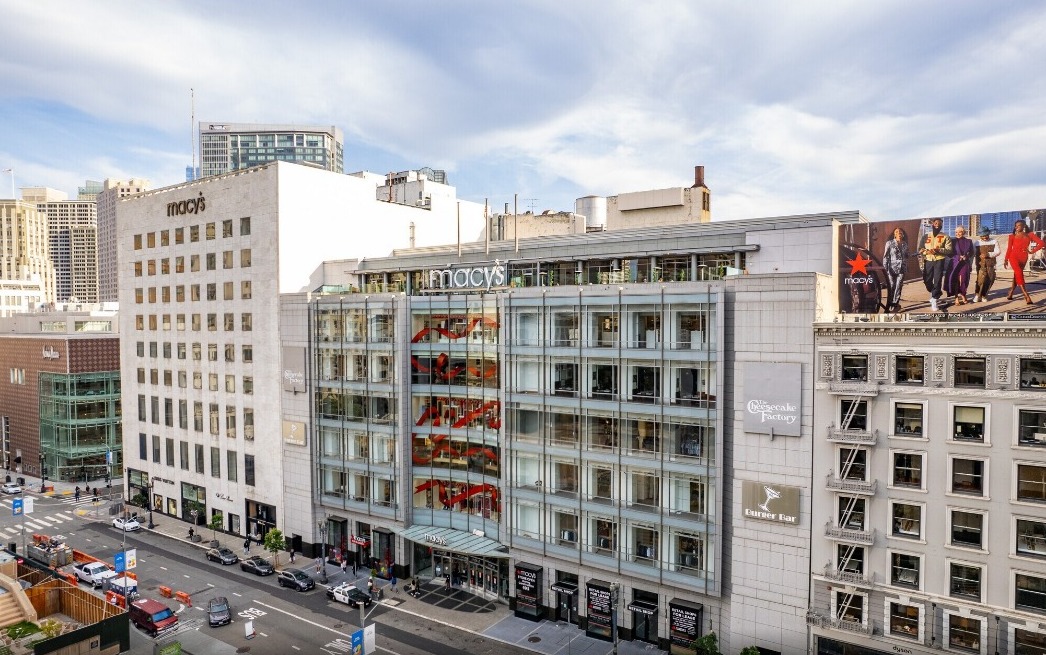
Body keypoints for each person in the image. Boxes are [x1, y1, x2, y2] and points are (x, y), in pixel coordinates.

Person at [1004, 219, 1045, 304]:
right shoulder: (1012, 236)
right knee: (1019, 273)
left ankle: (1011, 292)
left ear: (1024, 226)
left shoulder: (1030, 235)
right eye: (1016, 226)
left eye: (1018, 225)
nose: (1016, 227)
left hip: (1023, 257)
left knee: (1017, 275)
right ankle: (1026, 295)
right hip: (1013, 256)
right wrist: (1006, 259)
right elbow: (1009, 249)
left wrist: (1032, 251)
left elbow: (1042, 243)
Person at [920, 217, 953, 311]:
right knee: (927, 280)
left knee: (937, 280)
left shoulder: (946, 236)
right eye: (936, 223)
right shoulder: (926, 236)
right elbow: (920, 249)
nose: (937, 225)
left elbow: (949, 250)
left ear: (941, 226)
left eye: (939, 224)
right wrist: (926, 252)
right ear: (932, 224)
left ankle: (934, 299)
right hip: (928, 260)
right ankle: (935, 292)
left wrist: (938, 250)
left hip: (939, 260)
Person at [944, 225, 974, 304]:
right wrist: (957, 257)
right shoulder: (952, 241)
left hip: (964, 263)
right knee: (955, 280)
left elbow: (971, 252)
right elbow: (948, 253)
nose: (958, 234)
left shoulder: (969, 241)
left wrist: (966, 256)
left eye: (960, 232)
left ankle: (963, 294)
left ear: (963, 232)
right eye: (956, 232)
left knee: (964, 279)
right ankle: (956, 297)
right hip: (954, 263)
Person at [882, 227, 909, 312]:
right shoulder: (889, 243)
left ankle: (895, 304)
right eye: (896, 232)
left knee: (899, 286)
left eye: (900, 232)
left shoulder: (905, 244)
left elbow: (907, 255)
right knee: (892, 286)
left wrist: (918, 253)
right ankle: (889, 304)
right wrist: (885, 269)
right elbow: (886, 256)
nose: (899, 233)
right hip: (891, 268)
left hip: (902, 268)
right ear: (894, 234)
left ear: (903, 234)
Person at [972, 226, 1000, 302]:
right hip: (980, 264)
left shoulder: (994, 241)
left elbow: (998, 252)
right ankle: (977, 295)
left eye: (986, 235)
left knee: (990, 279)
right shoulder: (976, 243)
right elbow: (973, 253)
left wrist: (988, 254)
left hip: (991, 264)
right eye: (982, 236)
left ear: (988, 234)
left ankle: (984, 295)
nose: (984, 237)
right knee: (980, 280)